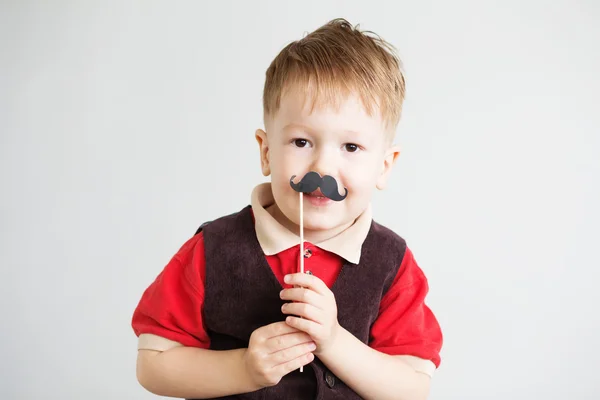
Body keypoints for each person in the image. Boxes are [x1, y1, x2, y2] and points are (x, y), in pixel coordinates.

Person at [131, 18, 443, 400]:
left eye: (351, 147)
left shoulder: (392, 264)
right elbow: (153, 363)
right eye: (301, 141)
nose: (322, 170)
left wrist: (333, 341)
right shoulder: (212, 249)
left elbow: (412, 389)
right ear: (266, 151)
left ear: (384, 165)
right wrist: (243, 368)